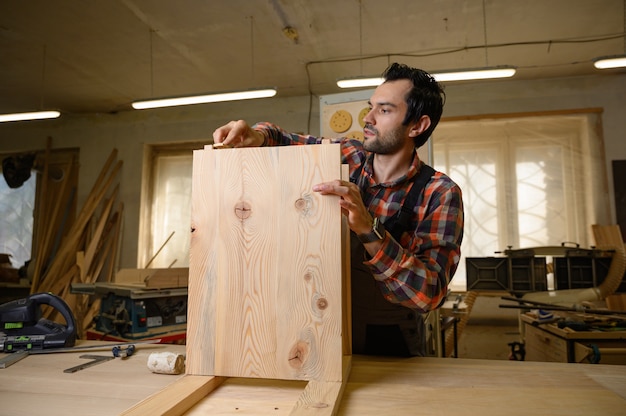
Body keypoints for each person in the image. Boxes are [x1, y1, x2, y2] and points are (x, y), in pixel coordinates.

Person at [213, 62, 464, 357]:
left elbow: (428, 295)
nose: (367, 118)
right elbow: (283, 139)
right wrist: (256, 137)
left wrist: (370, 231)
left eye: (383, 110)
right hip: (321, 323)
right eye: (370, 107)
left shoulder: (439, 192)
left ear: (417, 126)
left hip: (389, 339)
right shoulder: (346, 155)